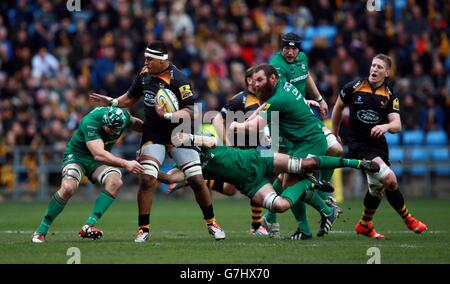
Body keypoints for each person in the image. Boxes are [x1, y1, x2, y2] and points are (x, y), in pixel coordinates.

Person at [89, 41, 225, 242]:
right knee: (147, 179)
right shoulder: (144, 74)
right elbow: (130, 97)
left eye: (149, 59)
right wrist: (113, 102)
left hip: (180, 133)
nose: (145, 62)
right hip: (153, 134)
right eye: (145, 58)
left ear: (162, 60)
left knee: (196, 179)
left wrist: (169, 115)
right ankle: (143, 229)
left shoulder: (179, 79)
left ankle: (211, 222)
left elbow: (193, 111)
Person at [159, 132, 380, 237]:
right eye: (170, 152)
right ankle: (308, 186)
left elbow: (212, 141)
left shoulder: (197, 144)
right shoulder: (188, 169)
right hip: (249, 184)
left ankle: (359, 163)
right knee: (280, 205)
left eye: (171, 150)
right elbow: (169, 178)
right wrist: (147, 169)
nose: (172, 154)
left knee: (306, 164)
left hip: (256, 158)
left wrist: (182, 137)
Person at [230, 64, 339, 239]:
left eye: (259, 80)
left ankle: (325, 209)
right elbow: (266, 106)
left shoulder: (278, 98)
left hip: (309, 143)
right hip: (301, 141)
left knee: (290, 184)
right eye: (253, 81)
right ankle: (293, 224)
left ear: (272, 78)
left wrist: (237, 125)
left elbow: (257, 125)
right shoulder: (282, 87)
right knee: (284, 179)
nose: (255, 84)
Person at [331, 53, 427, 239]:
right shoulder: (354, 87)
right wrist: (335, 133)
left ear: (387, 73)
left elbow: (397, 125)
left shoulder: (390, 95)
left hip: (379, 148)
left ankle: (365, 225)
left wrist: (385, 126)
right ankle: (409, 220)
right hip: (359, 146)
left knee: (376, 189)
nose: (375, 69)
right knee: (390, 180)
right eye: (373, 65)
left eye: (379, 67)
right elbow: (338, 107)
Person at [264, 33, 343, 239]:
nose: (290, 52)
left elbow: (306, 76)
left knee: (335, 149)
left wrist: (318, 97)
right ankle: (299, 222)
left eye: (294, 49)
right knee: (287, 179)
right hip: (287, 126)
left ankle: (324, 199)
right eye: (286, 48)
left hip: (304, 119)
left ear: (299, 50)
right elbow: (284, 95)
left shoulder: (303, 59)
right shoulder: (276, 66)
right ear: (281, 48)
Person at [32, 107, 145, 243]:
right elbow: (98, 154)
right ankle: (41, 230)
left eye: (114, 130)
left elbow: (137, 124)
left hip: (98, 159)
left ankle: (88, 226)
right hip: (78, 156)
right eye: (108, 128)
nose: (110, 131)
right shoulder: (90, 122)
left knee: (115, 182)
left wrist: (150, 137)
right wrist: (127, 164)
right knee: (68, 187)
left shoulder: (124, 117)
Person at [210, 66, 268, 236]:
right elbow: (216, 119)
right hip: (241, 149)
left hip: (256, 147)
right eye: (255, 78)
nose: (258, 82)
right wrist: (228, 144)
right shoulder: (240, 100)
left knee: (230, 189)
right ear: (249, 80)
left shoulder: (267, 97)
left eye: (260, 78)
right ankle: (256, 227)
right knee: (257, 179)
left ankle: (195, 180)